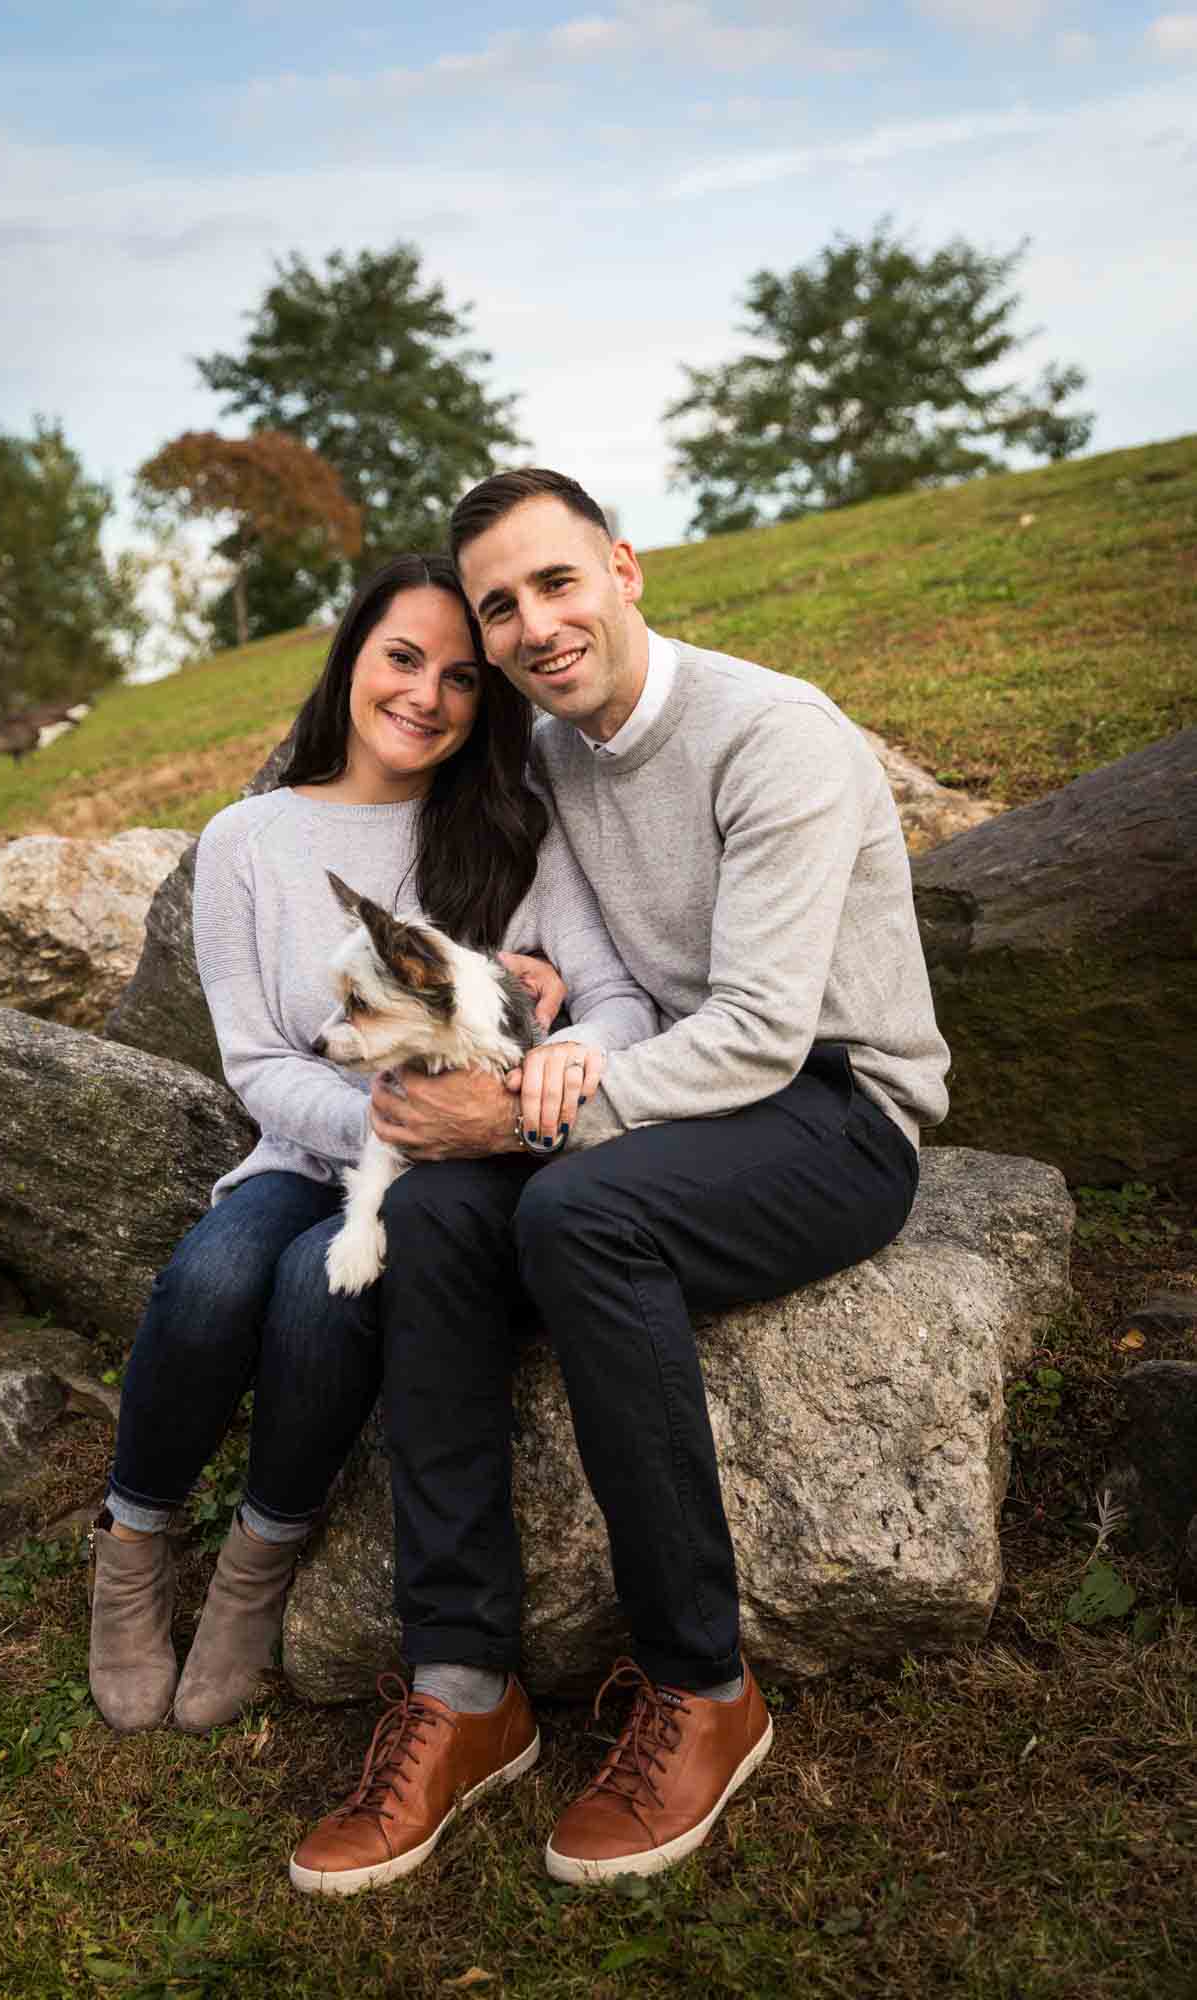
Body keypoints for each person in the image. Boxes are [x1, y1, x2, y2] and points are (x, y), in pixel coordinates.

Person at [289, 471, 950, 1894]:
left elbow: (768, 1030)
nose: (533, 625)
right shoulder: (545, 762)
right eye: (500, 606)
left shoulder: (774, 736)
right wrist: (536, 1001)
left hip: (835, 1109)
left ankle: (702, 1685)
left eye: (557, 582)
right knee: (440, 1212)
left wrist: (524, 1127)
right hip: (666, 1099)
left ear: (625, 570)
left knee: (575, 1211)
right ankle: (467, 1688)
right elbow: (568, 961)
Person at [87, 551, 656, 1737]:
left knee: (318, 1290)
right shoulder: (246, 838)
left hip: (458, 1169)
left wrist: (549, 1055)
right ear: (352, 656)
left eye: (459, 675)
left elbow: (618, 1001)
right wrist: (394, 1121)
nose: (425, 695)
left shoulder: (508, 829)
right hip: (310, 1149)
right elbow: (254, 1059)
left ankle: (255, 1562)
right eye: (402, 658)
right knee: (213, 1274)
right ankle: (131, 1548)